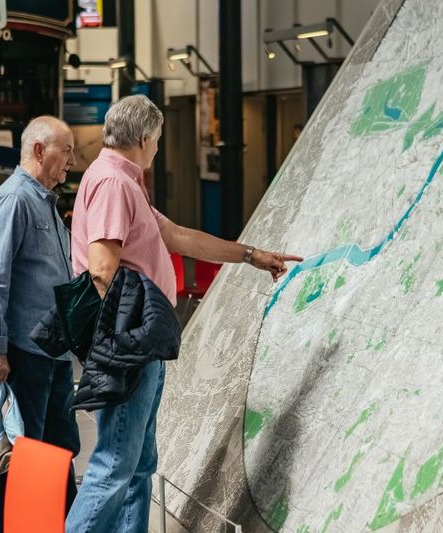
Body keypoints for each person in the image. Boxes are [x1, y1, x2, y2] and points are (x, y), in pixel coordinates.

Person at [66, 94, 302, 533]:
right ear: (142, 137)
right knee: (115, 467)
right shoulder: (115, 184)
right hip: (131, 347)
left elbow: (178, 236)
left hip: (140, 345)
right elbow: (101, 269)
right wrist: (119, 348)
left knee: (139, 467)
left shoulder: (120, 180)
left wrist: (251, 255)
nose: (157, 149)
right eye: (157, 140)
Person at [0, 116, 81, 532]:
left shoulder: (46, 202)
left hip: (54, 352)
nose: (72, 160)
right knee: (25, 455)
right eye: (66, 150)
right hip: (25, 352)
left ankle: (64, 525)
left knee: (59, 450)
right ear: (40, 150)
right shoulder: (15, 200)